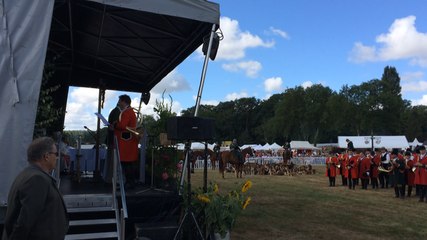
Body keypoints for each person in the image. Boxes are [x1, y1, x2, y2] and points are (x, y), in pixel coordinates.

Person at [2, 137, 69, 240]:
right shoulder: (37, 179)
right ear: (46, 156)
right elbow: (24, 222)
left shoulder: (28, 174)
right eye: (56, 154)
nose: (57, 158)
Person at [113, 94, 139, 189]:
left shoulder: (127, 112)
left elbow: (122, 125)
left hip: (126, 143)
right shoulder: (129, 111)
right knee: (128, 163)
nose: (118, 103)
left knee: (127, 163)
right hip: (128, 142)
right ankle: (129, 183)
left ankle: (129, 183)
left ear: (124, 102)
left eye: (120, 101)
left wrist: (115, 124)